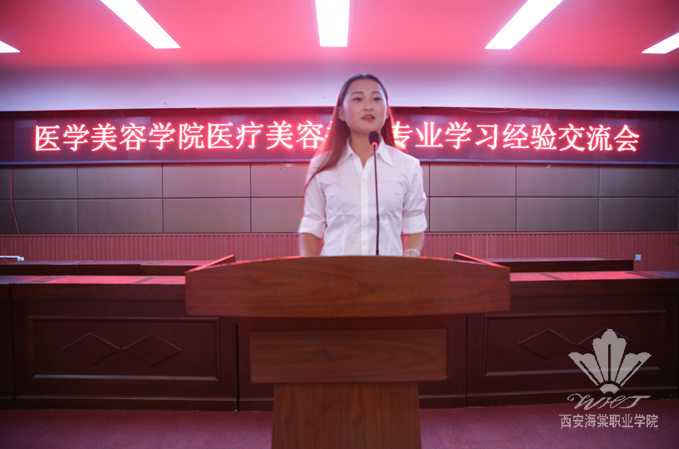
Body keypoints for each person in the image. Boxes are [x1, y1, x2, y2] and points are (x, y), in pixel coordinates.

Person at [298, 73, 427, 257]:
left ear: (386, 111)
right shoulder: (321, 165)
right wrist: (309, 269)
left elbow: (414, 224)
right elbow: (312, 226)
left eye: (376, 99)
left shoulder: (408, 166)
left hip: (388, 273)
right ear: (341, 113)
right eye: (358, 99)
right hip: (335, 272)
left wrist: (410, 259)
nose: (368, 106)